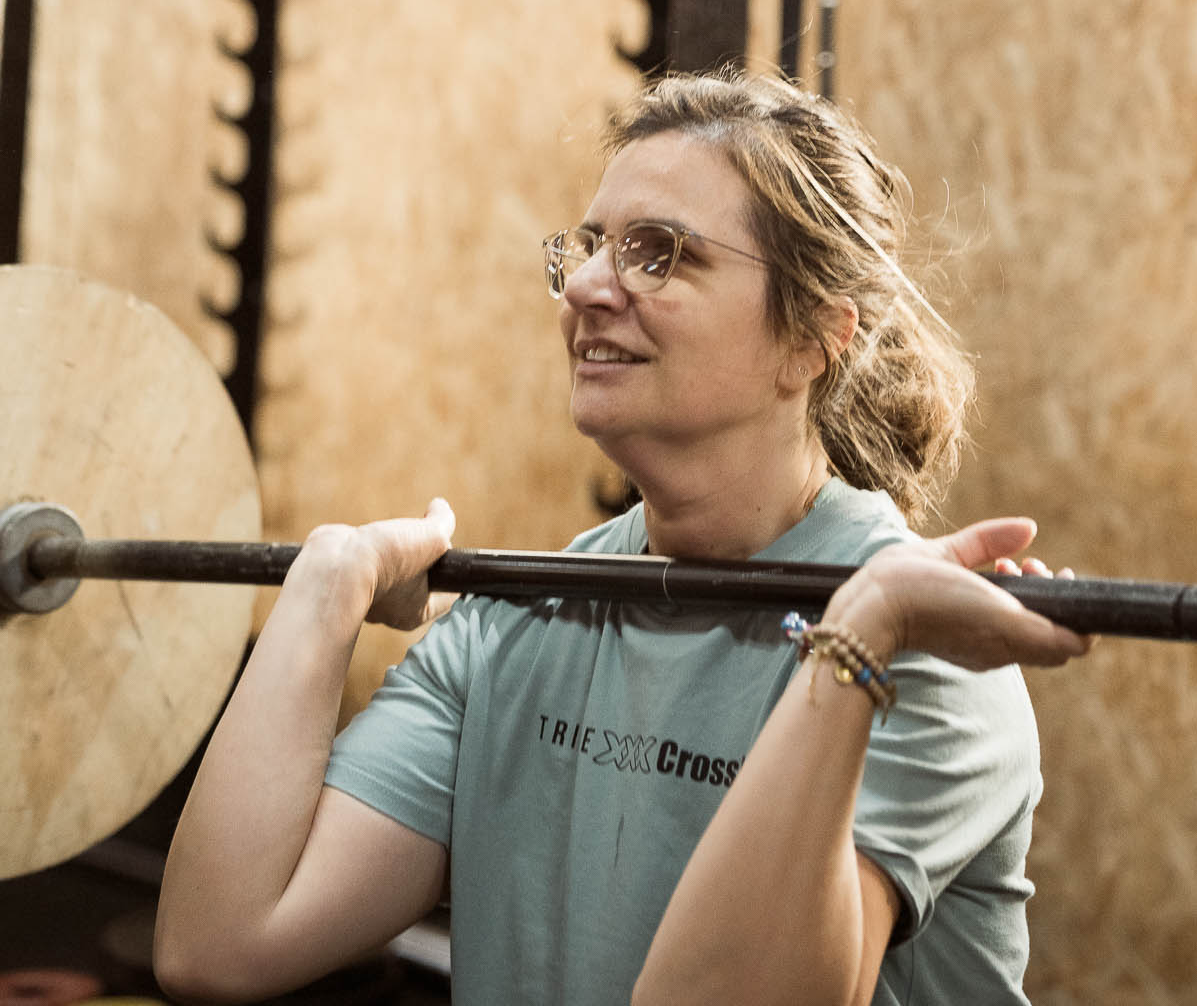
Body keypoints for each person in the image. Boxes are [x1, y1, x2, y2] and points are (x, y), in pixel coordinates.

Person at [154, 68, 1089, 1006]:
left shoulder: (922, 647)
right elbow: (219, 947)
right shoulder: (518, 622)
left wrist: (863, 631)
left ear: (813, 338)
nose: (589, 287)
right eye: (593, 246)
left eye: (660, 254)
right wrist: (328, 586)